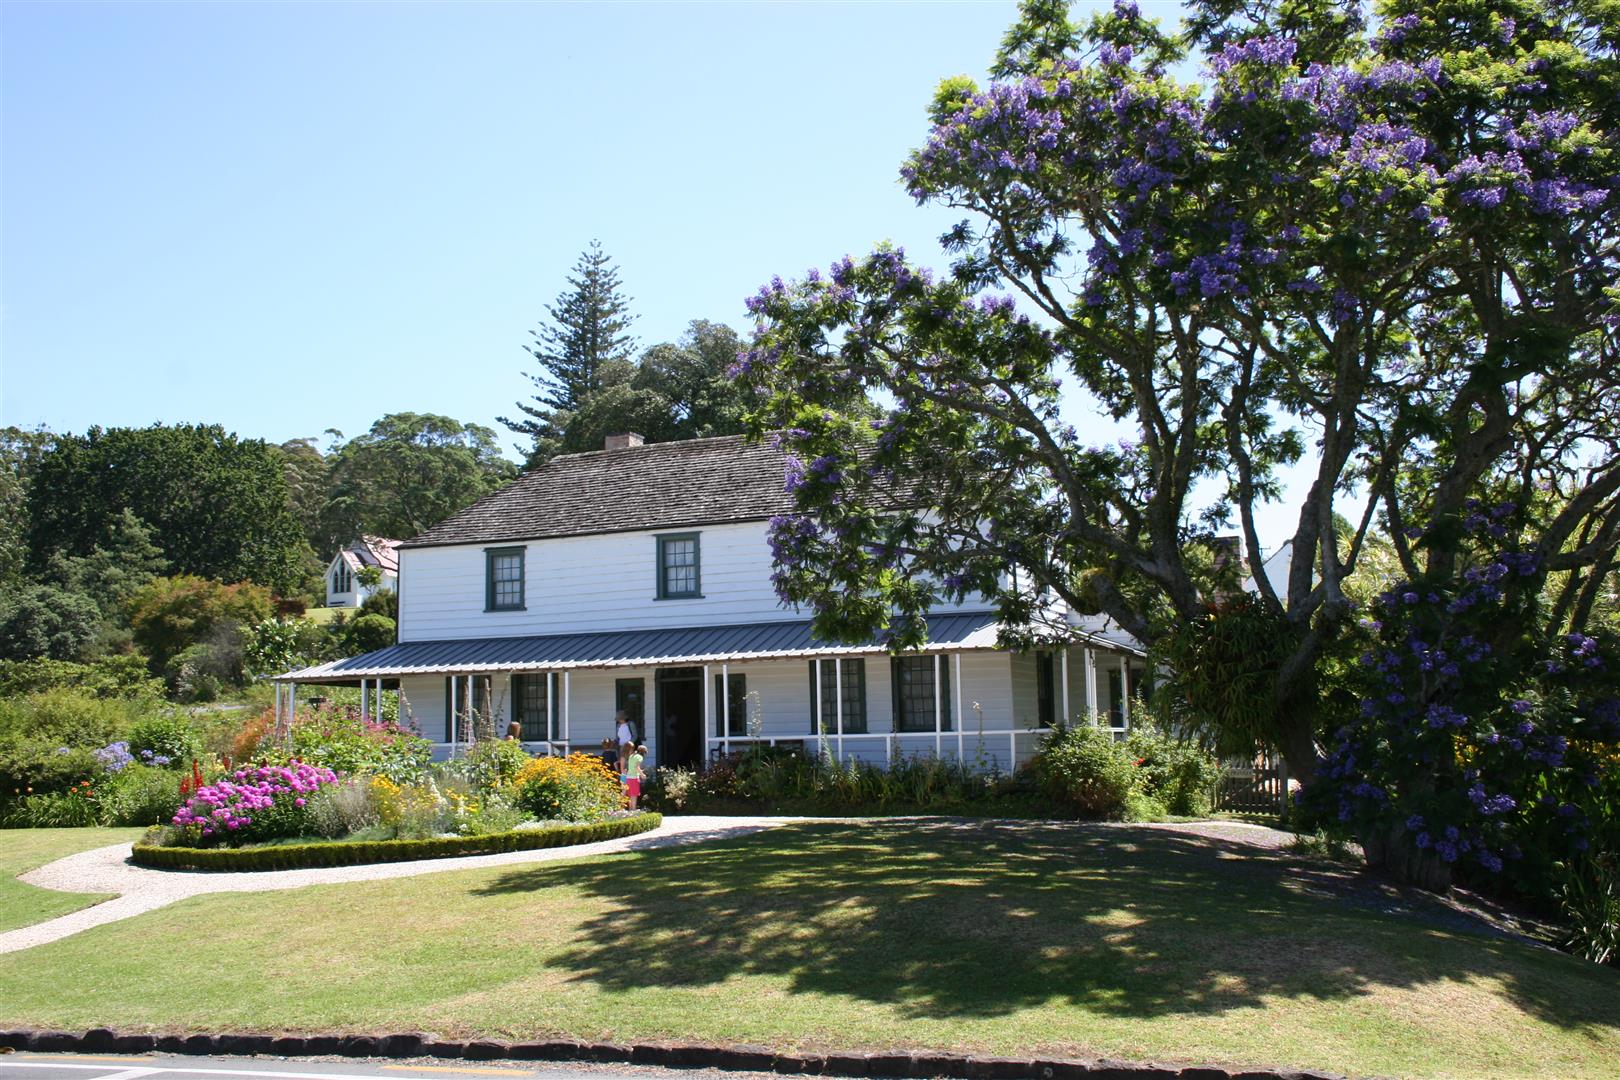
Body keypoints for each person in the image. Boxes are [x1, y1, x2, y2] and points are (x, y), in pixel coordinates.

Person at [625, 743, 646, 811]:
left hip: (628, 778)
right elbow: (636, 767)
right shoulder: (640, 757)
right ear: (644, 752)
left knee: (630, 795)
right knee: (634, 795)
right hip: (634, 778)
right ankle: (633, 811)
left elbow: (631, 767)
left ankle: (630, 810)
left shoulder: (631, 756)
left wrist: (639, 771)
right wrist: (642, 775)